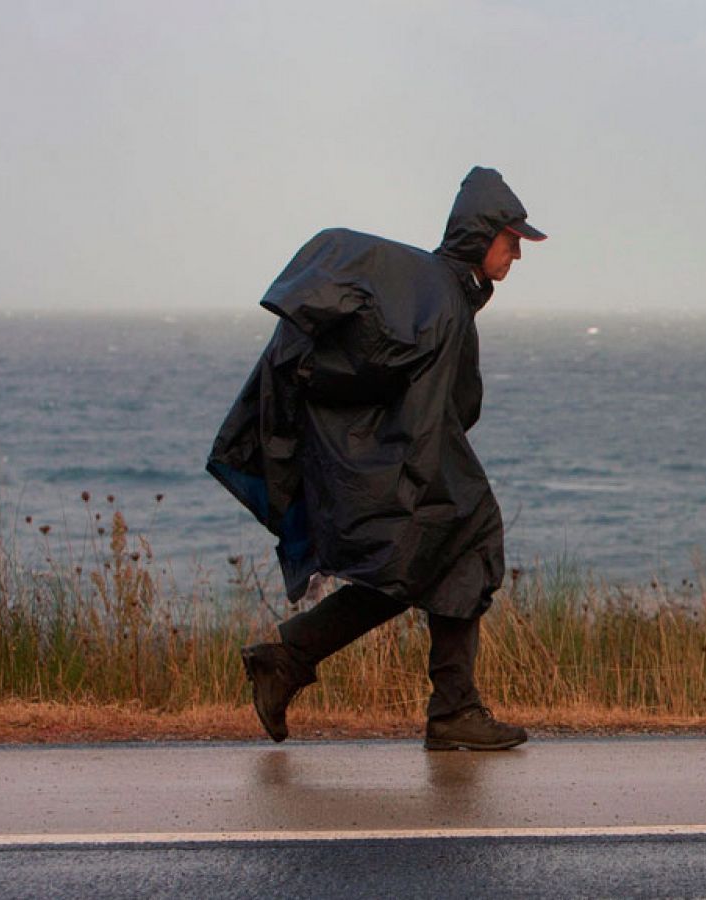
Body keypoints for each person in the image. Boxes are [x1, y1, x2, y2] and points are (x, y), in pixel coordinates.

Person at [207, 166, 544, 750]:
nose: (517, 252)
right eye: (510, 239)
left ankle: (292, 660)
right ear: (480, 234)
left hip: (406, 459)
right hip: (412, 463)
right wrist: (417, 481)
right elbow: (436, 409)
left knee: (429, 567)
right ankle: (448, 709)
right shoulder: (443, 301)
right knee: (461, 544)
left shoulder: (443, 293)